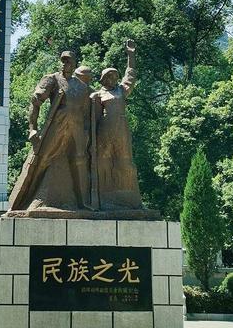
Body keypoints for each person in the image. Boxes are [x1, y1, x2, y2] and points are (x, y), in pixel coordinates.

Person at [9, 51, 90, 211]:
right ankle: (29, 199)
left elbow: (87, 111)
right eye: (62, 61)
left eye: (68, 61)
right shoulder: (52, 79)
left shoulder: (82, 86)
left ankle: (83, 202)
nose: (64, 64)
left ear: (74, 64)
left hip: (77, 129)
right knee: (43, 159)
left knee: (79, 161)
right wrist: (32, 129)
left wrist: (87, 133)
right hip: (57, 126)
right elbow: (35, 101)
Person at [91, 40, 142, 210]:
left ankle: (129, 198)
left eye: (115, 76)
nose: (114, 79)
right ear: (103, 79)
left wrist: (131, 55)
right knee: (103, 161)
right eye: (110, 76)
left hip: (121, 128)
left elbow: (131, 76)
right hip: (105, 130)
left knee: (125, 160)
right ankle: (103, 197)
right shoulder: (97, 95)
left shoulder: (121, 90)